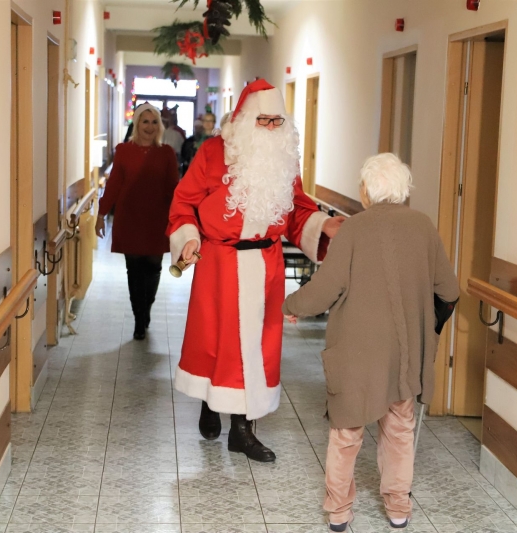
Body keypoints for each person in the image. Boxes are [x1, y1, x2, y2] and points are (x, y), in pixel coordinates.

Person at [167, 79, 345, 462]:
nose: (269, 129)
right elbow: (184, 201)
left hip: (267, 266)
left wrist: (321, 225)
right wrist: (188, 238)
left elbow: (296, 208)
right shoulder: (214, 153)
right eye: (263, 120)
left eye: (276, 122)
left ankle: (243, 431)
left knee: (259, 349)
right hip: (220, 264)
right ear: (245, 119)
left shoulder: (284, 161)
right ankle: (211, 403)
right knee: (218, 342)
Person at [281, 153, 460, 531]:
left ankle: (340, 511)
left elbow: (326, 289)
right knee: (399, 426)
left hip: (358, 351)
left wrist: (292, 304)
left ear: (366, 190)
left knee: (346, 431)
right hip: (405, 351)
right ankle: (398, 508)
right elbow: (449, 290)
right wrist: (427, 324)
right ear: (403, 189)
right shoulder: (424, 226)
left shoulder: (355, 230)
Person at [96, 103, 179, 340]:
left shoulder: (166, 153)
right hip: (129, 217)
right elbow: (113, 186)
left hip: (157, 218)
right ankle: (138, 319)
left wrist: (180, 218)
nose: (149, 127)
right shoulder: (123, 150)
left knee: (153, 268)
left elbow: (173, 188)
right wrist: (101, 215)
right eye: (145, 121)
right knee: (134, 270)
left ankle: (147, 308)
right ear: (136, 124)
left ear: (159, 126)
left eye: (154, 122)